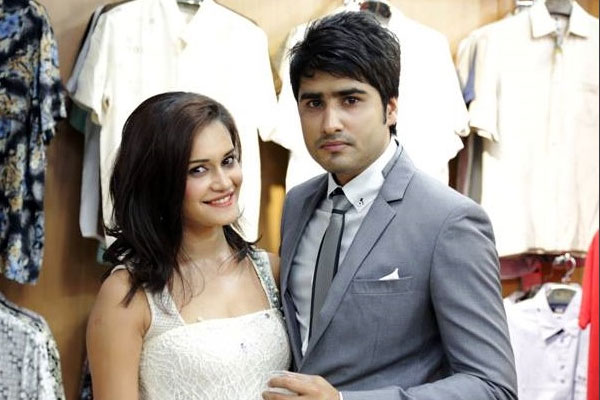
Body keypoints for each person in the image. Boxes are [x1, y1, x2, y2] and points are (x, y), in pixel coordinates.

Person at [264, 11, 517, 400]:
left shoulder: (449, 220)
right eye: (313, 103)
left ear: (391, 108)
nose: (330, 123)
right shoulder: (298, 203)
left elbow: (493, 387)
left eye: (350, 100)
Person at [86, 92, 291, 399]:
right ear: (158, 180)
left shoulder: (272, 271)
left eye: (228, 161)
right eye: (198, 169)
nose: (224, 182)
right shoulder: (127, 294)